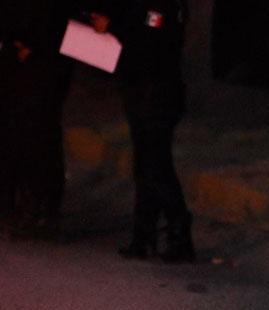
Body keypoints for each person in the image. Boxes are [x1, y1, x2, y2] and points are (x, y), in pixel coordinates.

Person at [90, 0, 195, 263]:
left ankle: (179, 234)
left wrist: (113, 26)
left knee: (157, 166)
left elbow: (152, 41)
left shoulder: (165, 6)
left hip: (158, 92)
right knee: (145, 165)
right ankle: (144, 236)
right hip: (140, 88)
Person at [0, 0, 76, 240]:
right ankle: (21, 205)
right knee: (16, 133)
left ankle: (42, 208)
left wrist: (32, 45)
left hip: (45, 65)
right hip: (19, 63)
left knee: (41, 136)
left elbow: (58, 19)